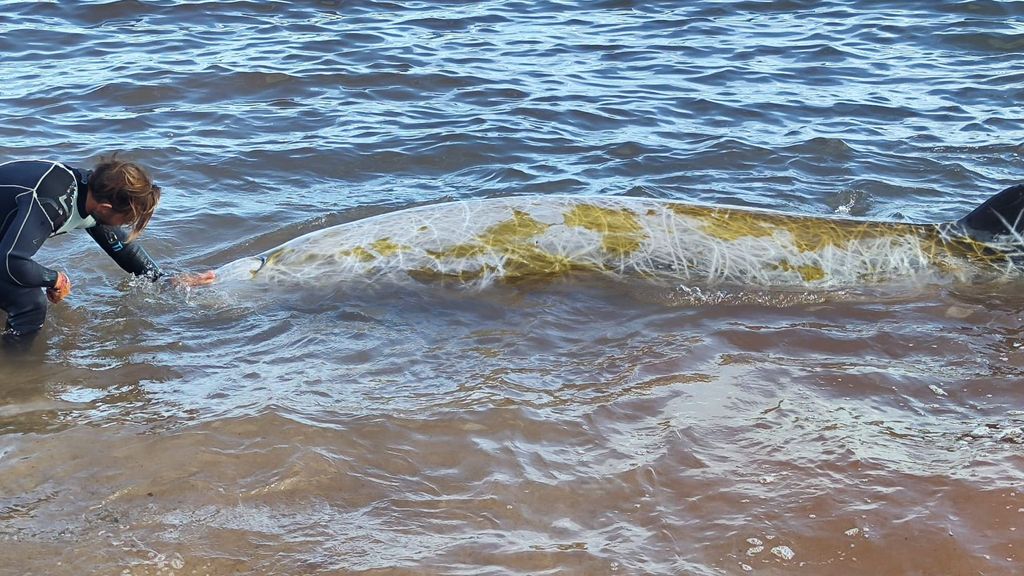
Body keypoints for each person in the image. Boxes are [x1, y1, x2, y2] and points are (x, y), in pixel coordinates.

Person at [0, 156, 214, 344]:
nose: (123, 226)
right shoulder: (53, 202)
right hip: (6, 256)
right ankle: (17, 376)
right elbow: (11, 261)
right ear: (105, 209)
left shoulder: (88, 192)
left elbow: (123, 250)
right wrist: (55, 279)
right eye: (126, 220)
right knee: (29, 303)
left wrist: (166, 280)